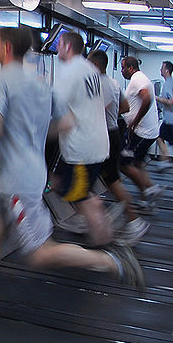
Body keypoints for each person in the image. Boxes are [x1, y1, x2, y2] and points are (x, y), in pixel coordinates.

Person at [0, 26, 144, 330]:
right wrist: (28, 133)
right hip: (26, 175)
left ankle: (112, 263)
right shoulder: (40, 83)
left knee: (40, 254)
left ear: (7, 48)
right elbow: (65, 122)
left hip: (17, 183)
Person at [51, 31, 112, 246]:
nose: (56, 48)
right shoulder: (89, 69)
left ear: (67, 47)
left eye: (59, 44)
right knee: (58, 182)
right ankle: (86, 218)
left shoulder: (70, 70)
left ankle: (105, 245)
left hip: (82, 148)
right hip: (94, 143)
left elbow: (56, 106)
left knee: (80, 195)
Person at [89, 50, 149, 243]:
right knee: (111, 180)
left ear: (96, 66)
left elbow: (95, 110)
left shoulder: (101, 84)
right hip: (112, 133)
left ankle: (130, 220)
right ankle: (129, 220)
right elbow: (125, 107)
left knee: (105, 180)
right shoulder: (114, 83)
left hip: (104, 136)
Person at [119, 56, 164, 209]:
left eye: (123, 68)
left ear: (131, 68)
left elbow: (147, 98)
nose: (122, 71)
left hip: (141, 133)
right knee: (137, 162)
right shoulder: (140, 78)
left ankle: (148, 191)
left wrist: (134, 122)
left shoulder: (137, 78)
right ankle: (151, 188)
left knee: (124, 164)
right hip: (147, 132)